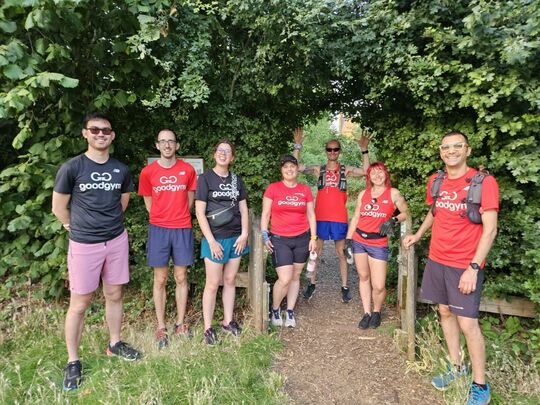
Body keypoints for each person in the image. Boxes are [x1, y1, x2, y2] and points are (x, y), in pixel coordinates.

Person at [403, 131, 498, 405]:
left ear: (467, 150)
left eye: (457, 146)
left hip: (464, 264)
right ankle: (456, 368)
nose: (451, 151)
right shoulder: (437, 180)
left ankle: (480, 386)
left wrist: (473, 268)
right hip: (437, 259)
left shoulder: (483, 182)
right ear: (441, 151)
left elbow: (490, 230)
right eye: (446, 147)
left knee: (468, 323)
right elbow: (435, 211)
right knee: (444, 312)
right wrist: (419, 235)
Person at [52, 112, 142, 391]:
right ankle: (73, 360)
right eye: (95, 129)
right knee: (79, 303)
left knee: (114, 294)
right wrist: (71, 225)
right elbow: (58, 206)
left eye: (106, 130)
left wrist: (108, 226)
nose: (101, 134)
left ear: (112, 135)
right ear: (85, 133)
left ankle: (114, 343)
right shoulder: (72, 167)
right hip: (84, 244)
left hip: (115, 240)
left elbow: (122, 202)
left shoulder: (121, 169)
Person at [292, 128, 370, 303]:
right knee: (315, 253)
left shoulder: (346, 170)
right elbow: (294, 167)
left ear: (339, 151)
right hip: (320, 217)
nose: (332, 152)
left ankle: (344, 286)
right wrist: (298, 145)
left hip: (339, 218)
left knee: (341, 253)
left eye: (336, 149)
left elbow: (367, 172)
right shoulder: (318, 170)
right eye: (329, 149)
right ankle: (311, 283)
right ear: (326, 151)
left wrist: (364, 150)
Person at [138, 129, 197, 348]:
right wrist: (161, 218)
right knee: (160, 279)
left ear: (177, 146)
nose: (167, 145)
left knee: (181, 277)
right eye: (163, 141)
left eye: (171, 141)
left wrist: (178, 216)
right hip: (159, 230)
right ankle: (161, 327)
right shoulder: (147, 172)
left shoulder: (187, 170)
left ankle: (180, 323)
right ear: (157, 145)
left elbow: (190, 199)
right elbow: (148, 202)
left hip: (182, 228)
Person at [195, 140, 249, 345]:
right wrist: (211, 241)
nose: (223, 154)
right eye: (220, 150)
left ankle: (228, 321)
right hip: (214, 239)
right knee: (211, 283)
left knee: (230, 280)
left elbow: (243, 209)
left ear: (232, 158)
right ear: (214, 154)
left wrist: (244, 235)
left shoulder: (237, 180)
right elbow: (199, 212)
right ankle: (208, 328)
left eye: (227, 152)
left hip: (236, 238)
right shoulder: (205, 179)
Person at [345, 162, 409, 329]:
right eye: (373, 173)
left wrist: (393, 220)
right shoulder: (363, 194)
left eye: (380, 172)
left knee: (379, 285)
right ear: (369, 176)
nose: (377, 176)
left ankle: (377, 311)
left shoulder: (393, 193)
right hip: (360, 240)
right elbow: (356, 218)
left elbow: (406, 212)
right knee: (364, 277)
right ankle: (366, 312)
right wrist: (348, 239)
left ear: (385, 174)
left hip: (378, 243)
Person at [261, 155, 317, 328]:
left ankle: (290, 311)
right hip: (279, 239)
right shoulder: (273, 188)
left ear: (297, 168)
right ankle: (276, 309)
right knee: (284, 278)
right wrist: (265, 235)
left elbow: (311, 215)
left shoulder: (305, 190)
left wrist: (313, 237)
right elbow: (265, 214)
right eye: (285, 167)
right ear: (281, 170)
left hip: (302, 238)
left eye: (292, 166)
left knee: (295, 276)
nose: (289, 169)